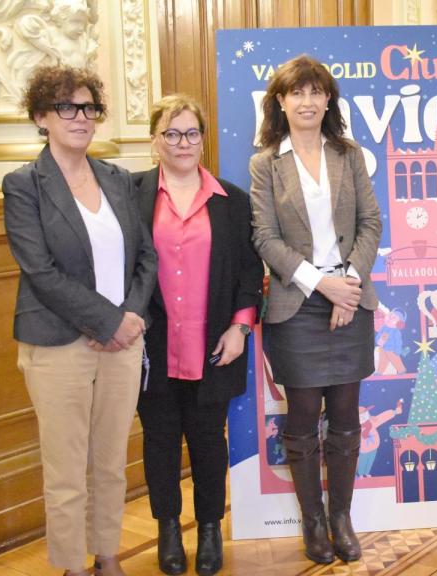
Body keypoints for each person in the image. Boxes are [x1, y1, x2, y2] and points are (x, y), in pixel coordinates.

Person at [2, 65, 157, 576]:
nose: (81, 117)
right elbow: (41, 272)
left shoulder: (116, 177)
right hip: (58, 345)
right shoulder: (24, 185)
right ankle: (71, 566)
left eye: (89, 108)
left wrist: (130, 317)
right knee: (67, 473)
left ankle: (108, 556)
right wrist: (108, 322)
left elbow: (145, 256)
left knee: (111, 463)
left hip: (124, 342)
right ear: (42, 116)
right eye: (67, 107)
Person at [249, 54, 382, 564]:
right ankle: (312, 523)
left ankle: (341, 518)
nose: (307, 101)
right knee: (303, 417)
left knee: (345, 416)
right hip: (297, 304)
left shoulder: (348, 155)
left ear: (328, 99)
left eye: (316, 92)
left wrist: (347, 282)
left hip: (350, 299)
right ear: (280, 103)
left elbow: (371, 222)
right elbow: (264, 236)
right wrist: (322, 284)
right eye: (296, 93)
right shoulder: (265, 164)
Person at [133, 94, 263, 576]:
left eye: (191, 133)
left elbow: (250, 269)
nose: (182, 143)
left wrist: (240, 326)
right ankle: (168, 529)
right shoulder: (132, 194)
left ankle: (209, 529)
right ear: (155, 140)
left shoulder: (233, 200)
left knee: (209, 440)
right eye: (171, 133)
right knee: (160, 440)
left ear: (203, 139)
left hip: (214, 345)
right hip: (151, 345)